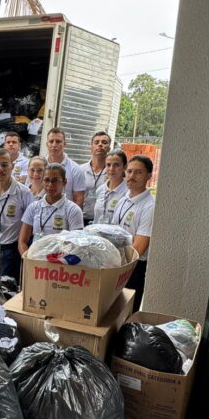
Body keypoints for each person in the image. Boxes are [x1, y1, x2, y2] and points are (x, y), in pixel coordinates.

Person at [112, 155, 156, 308]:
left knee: (126, 312)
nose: (132, 176)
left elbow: (139, 248)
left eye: (138, 172)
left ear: (149, 176)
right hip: (116, 263)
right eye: (129, 171)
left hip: (133, 268)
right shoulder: (123, 199)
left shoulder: (150, 206)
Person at [0, 148, 33, 280]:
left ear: (13, 166)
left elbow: (29, 224)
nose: (0, 169)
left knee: (6, 288)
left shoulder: (24, 192)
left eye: (5, 165)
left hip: (11, 249)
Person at [18, 163, 84, 255]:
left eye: (55, 181)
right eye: (46, 180)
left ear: (64, 182)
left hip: (60, 264)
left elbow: (76, 245)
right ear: (42, 181)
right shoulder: (33, 207)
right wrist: (28, 259)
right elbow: (22, 241)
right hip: (35, 261)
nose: (50, 185)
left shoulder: (73, 210)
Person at [44, 127, 86, 207]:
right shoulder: (40, 166)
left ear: (64, 144)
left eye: (58, 141)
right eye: (51, 141)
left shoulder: (75, 169)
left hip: (64, 216)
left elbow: (79, 199)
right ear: (47, 144)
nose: (54, 144)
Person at [79, 131, 111, 224]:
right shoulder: (80, 170)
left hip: (103, 222)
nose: (100, 145)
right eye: (96, 142)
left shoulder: (112, 172)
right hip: (82, 219)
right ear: (91, 148)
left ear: (109, 148)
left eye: (104, 142)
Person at [93, 149, 128, 223]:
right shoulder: (100, 189)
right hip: (96, 233)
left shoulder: (128, 193)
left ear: (125, 167)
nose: (111, 169)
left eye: (116, 165)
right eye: (108, 165)